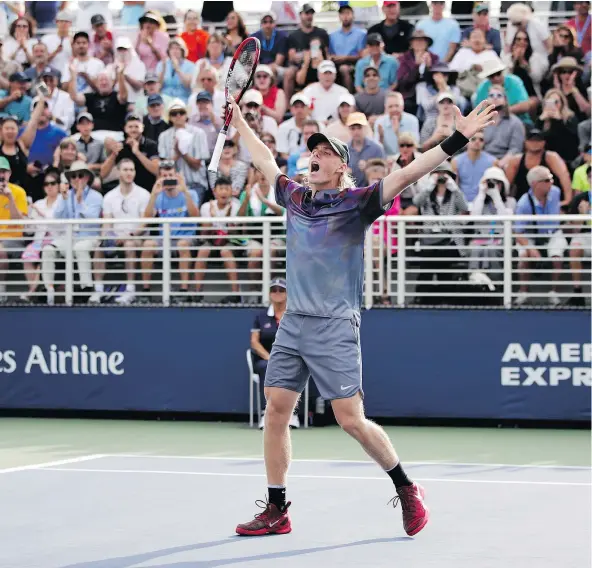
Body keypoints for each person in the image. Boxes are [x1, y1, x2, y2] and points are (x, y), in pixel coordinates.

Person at [225, 86, 496, 536]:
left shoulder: (358, 202)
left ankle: (407, 487)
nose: (313, 156)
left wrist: (455, 140)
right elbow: (264, 159)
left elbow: (409, 173)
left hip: (335, 325)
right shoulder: (294, 197)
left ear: (341, 166)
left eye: (324, 153)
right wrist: (238, 122)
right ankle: (278, 508)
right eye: (311, 150)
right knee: (276, 410)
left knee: (349, 419)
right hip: (294, 322)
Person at [41, 161, 103, 305]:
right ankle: (48, 288)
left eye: (80, 175)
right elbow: (57, 217)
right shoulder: (66, 195)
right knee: (48, 249)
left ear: (87, 178)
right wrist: (63, 199)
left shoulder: (96, 196)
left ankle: (86, 288)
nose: (76, 179)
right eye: (73, 176)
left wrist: (80, 201)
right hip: (68, 238)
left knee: (79, 248)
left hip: (89, 237)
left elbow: (92, 219)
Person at [141, 161, 199, 304]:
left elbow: (195, 216)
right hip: (164, 239)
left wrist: (184, 191)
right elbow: (147, 218)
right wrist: (153, 195)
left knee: (182, 245)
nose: (168, 178)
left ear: (177, 176)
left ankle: (184, 290)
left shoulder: (190, 193)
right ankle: (146, 291)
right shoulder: (158, 196)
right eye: (164, 176)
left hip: (186, 237)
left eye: (171, 175)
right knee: (148, 244)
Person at [94, 158, 150, 305]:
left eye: (132, 170)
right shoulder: (109, 196)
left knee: (129, 245)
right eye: (125, 170)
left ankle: (130, 290)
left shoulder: (144, 194)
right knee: (98, 245)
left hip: (136, 237)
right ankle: (98, 290)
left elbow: (144, 224)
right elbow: (107, 224)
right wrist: (104, 238)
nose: (129, 173)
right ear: (118, 172)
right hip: (116, 236)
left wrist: (128, 235)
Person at [514, 165, 567, 307]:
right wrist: (530, 248)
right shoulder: (523, 203)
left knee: (557, 256)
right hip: (530, 235)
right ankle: (523, 292)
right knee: (524, 255)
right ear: (535, 184)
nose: (552, 182)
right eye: (547, 180)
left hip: (553, 233)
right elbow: (518, 233)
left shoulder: (555, 192)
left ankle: (553, 292)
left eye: (551, 178)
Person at [250, 278, 300, 430]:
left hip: (291, 359)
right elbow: (254, 342)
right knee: (267, 367)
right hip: (267, 360)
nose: (277, 293)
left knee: (297, 368)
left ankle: (291, 413)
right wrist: (270, 358)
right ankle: (268, 413)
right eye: (274, 290)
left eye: (281, 290)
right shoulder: (261, 316)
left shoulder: (295, 315)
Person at [20, 167, 62, 302]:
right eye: (46, 184)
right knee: (27, 254)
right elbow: (29, 231)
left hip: (57, 240)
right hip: (39, 241)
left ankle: (32, 291)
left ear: (58, 185)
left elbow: (58, 225)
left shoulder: (63, 202)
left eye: (53, 183)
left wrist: (41, 213)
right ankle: (36, 289)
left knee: (44, 253)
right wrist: (27, 217)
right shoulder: (39, 203)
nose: (49, 187)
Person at [0, 156, 27, 302]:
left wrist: (9, 197)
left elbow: (18, 221)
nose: (1, 175)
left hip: (14, 239)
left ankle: (1, 288)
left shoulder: (18, 192)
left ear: (9, 173)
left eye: (4, 171)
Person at [329, 4, 367, 93]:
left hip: (355, 64)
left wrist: (345, 58)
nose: (345, 16)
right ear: (339, 16)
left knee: (344, 68)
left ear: (353, 15)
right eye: (342, 14)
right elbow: (330, 54)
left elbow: (362, 55)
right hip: (336, 64)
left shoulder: (361, 34)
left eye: (348, 13)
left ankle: (349, 97)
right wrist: (332, 58)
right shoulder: (333, 35)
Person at [451, 131, 497, 204]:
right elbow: (454, 186)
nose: (477, 141)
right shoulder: (456, 161)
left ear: (484, 143)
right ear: (466, 142)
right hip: (462, 202)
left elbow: (494, 187)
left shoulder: (493, 161)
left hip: (484, 202)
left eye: (481, 139)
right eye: (473, 139)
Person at [156, 37, 194, 103]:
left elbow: (188, 85)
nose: (174, 51)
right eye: (172, 48)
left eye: (177, 48)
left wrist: (177, 69)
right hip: (165, 99)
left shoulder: (190, 65)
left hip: (183, 99)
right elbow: (158, 86)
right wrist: (163, 70)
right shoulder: (161, 64)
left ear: (182, 50)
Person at [250, 11, 287, 76]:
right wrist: (261, 69)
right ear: (261, 24)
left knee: (274, 70)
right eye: (265, 22)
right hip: (258, 67)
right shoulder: (254, 37)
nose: (268, 25)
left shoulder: (282, 36)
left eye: (271, 22)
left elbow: (278, 62)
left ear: (275, 23)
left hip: (276, 67)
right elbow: (255, 60)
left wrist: (265, 69)